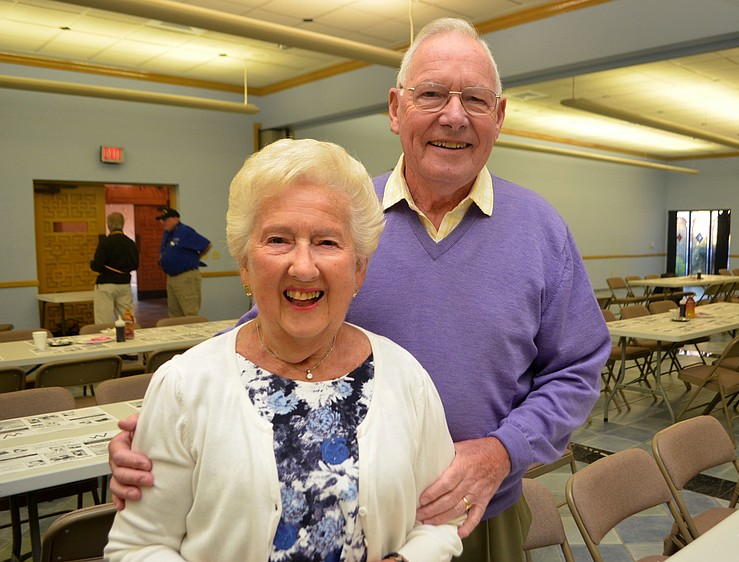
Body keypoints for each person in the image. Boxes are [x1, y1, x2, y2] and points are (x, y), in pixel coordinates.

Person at [109, 18, 610, 562]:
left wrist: (502, 452)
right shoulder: (342, 216)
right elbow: (263, 333)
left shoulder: (541, 230)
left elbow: (577, 368)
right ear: (396, 109)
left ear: (500, 116)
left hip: (480, 515)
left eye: (475, 100)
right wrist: (158, 437)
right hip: (355, 519)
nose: (454, 115)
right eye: (433, 94)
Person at [105, 138, 463, 561]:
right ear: (245, 265)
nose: (304, 266)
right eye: (278, 240)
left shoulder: (407, 378)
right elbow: (138, 547)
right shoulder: (185, 386)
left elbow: (441, 521)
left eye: (328, 242)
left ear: (359, 269)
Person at [157, 207, 211, 318]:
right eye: (161, 220)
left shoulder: (185, 231)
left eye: (165, 219)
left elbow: (207, 245)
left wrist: (195, 258)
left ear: (176, 219)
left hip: (185, 277)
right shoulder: (168, 233)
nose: (162, 222)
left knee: (190, 313)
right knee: (174, 314)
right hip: (171, 278)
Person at [90, 212, 139, 324]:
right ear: (123, 224)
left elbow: (97, 265)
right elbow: (135, 265)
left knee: (103, 318)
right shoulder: (130, 243)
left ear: (109, 225)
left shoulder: (105, 242)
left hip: (106, 284)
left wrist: (91, 264)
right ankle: (130, 336)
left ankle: (104, 339)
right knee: (127, 316)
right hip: (124, 283)